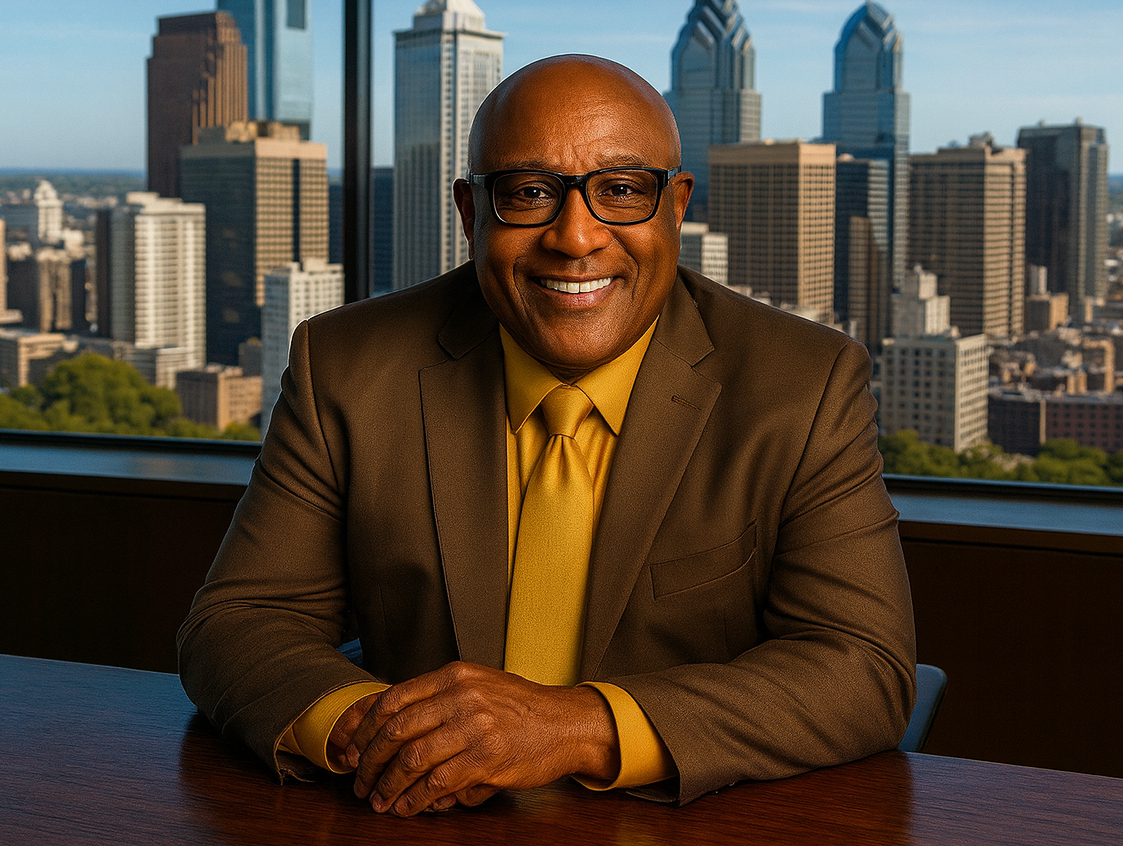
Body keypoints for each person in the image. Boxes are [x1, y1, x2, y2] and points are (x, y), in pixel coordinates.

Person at [177, 54, 916, 816]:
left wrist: (575, 727)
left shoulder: (804, 383)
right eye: (529, 194)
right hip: (420, 824)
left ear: (676, 205)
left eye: (622, 191)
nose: (575, 236)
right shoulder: (346, 367)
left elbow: (863, 668)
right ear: (471, 213)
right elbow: (237, 622)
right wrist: (400, 741)